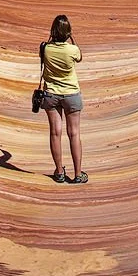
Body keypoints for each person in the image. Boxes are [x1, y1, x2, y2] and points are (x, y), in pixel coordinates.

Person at [38, 14, 86, 184]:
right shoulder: (72, 50)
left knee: (55, 133)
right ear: (68, 33)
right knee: (74, 134)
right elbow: (79, 57)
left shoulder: (46, 48)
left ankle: (59, 172)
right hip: (71, 94)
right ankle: (78, 174)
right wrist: (71, 38)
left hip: (51, 95)